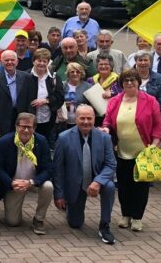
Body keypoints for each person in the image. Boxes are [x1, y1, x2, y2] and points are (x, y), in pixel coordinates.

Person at [101, 69, 161, 232]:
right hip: (121, 151)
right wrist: (106, 129)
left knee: (140, 187)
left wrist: (155, 143)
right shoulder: (115, 101)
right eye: (126, 80)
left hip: (143, 151)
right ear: (121, 83)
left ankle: (137, 217)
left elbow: (158, 125)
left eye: (133, 79)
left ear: (138, 81)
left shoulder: (150, 101)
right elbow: (107, 121)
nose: (129, 82)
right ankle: (125, 214)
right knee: (123, 185)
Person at [52, 105, 117, 245]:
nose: (86, 121)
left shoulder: (105, 138)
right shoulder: (63, 138)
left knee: (110, 186)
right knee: (75, 224)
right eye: (82, 118)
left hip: (97, 180)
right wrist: (59, 195)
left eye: (89, 118)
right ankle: (71, 207)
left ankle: (104, 225)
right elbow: (58, 169)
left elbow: (111, 164)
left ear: (94, 119)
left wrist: (98, 182)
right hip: (75, 183)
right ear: (75, 119)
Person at [0, 112, 53, 234]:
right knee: (13, 222)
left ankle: (39, 219)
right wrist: (11, 183)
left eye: (29, 127)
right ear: (16, 127)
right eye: (22, 126)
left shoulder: (41, 141)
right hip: (14, 184)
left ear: (34, 128)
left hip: (33, 182)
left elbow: (49, 169)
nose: (26, 130)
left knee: (48, 186)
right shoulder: (5, 142)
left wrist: (31, 182)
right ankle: (10, 203)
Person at [0, 51, 36, 140]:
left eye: (12, 60)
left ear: (17, 61)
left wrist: (31, 123)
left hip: (23, 120)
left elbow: (31, 102)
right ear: (1, 62)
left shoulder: (27, 77)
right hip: (2, 122)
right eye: (6, 60)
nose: (10, 62)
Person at [29, 49, 62, 143]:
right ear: (33, 61)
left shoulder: (54, 77)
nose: (42, 63)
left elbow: (60, 97)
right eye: (39, 60)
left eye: (45, 61)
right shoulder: (25, 75)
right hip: (30, 120)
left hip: (48, 121)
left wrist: (46, 100)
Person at [57, 63, 91, 135]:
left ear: (81, 73)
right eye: (72, 72)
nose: (75, 74)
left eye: (78, 72)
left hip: (81, 123)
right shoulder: (61, 85)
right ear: (68, 73)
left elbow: (92, 105)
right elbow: (56, 101)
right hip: (63, 123)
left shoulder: (87, 87)